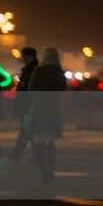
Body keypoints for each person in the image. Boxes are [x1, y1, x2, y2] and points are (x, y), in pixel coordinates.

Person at [27, 47, 67, 184]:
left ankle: (43, 169)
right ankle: (50, 168)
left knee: (37, 140)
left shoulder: (38, 71)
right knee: (49, 140)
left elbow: (31, 90)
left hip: (38, 107)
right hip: (52, 108)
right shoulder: (59, 72)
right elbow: (62, 89)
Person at [9, 46, 39, 161]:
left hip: (29, 104)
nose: (22, 58)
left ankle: (19, 153)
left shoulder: (32, 70)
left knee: (26, 129)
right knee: (27, 130)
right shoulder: (31, 68)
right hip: (28, 104)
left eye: (23, 56)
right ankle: (33, 153)